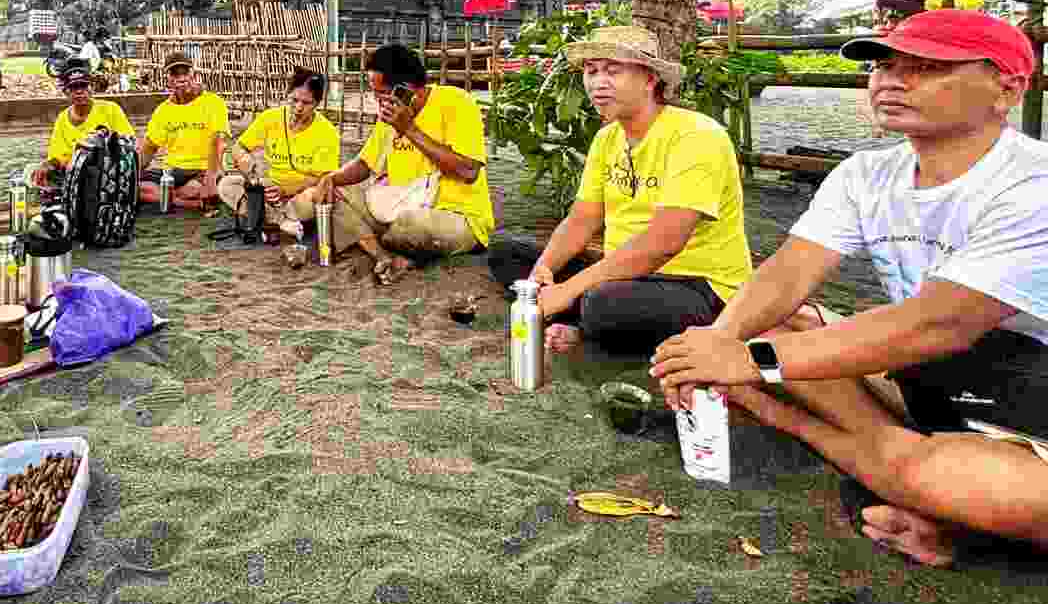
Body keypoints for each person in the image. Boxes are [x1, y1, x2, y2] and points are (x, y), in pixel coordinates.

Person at [650, 10, 1048, 568]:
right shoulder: (867, 174)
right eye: (884, 64)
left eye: (927, 67)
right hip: (933, 376)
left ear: (1007, 88)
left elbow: (939, 322)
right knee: (765, 320)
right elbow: (789, 272)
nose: (891, 79)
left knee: (967, 481)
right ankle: (906, 471)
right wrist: (711, 349)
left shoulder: (1034, 184)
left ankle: (813, 431)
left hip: (1030, 387)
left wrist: (749, 362)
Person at [522, 25, 751, 356]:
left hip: (696, 284)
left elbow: (663, 244)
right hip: (621, 272)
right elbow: (582, 219)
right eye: (591, 71)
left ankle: (583, 326)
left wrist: (569, 289)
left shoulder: (696, 136)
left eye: (613, 71)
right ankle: (577, 310)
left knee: (604, 305)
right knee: (511, 257)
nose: (598, 82)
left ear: (650, 78)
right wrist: (542, 270)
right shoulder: (607, 138)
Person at [302, 44, 493, 284]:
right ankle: (384, 255)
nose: (377, 100)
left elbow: (468, 171)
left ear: (407, 88)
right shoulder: (389, 114)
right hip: (397, 206)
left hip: (456, 218)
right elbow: (364, 164)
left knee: (410, 224)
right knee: (335, 193)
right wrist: (331, 178)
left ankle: (379, 242)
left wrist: (410, 129)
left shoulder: (457, 102)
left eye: (381, 92)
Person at [218, 67, 340, 237]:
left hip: (301, 193)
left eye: (306, 103)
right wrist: (243, 157)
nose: (298, 108)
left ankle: (261, 216)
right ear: (287, 94)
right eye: (294, 100)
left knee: (314, 198)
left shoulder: (327, 133)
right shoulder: (270, 118)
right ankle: (280, 220)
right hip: (270, 187)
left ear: (317, 103)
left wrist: (285, 191)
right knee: (227, 184)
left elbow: (322, 178)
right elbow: (239, 146)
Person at [136, 52, 230, 210]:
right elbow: (148, 149)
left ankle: (170, 197)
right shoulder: (163, 111)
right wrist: (132, 173)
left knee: (193, 190)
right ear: (168, 78)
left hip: (202, 169)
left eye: (185, 72)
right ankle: (183, 202)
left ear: (193, 74)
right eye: (174, 73)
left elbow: (218, 143)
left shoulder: (213, 102)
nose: (181, 78)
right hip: (171, 171)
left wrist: (211, 178)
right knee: (133, 186)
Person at [31, 66, 134, 191]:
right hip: (75, 173)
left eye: (83, 86)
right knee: (34, 173)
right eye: (74, 87)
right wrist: (48, 165)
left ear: (91, 88)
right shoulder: (62, 119)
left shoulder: (110, 110)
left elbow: (128, 143)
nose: (79, 91)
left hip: (107, 173)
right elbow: (58, 156)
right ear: (66, 92)